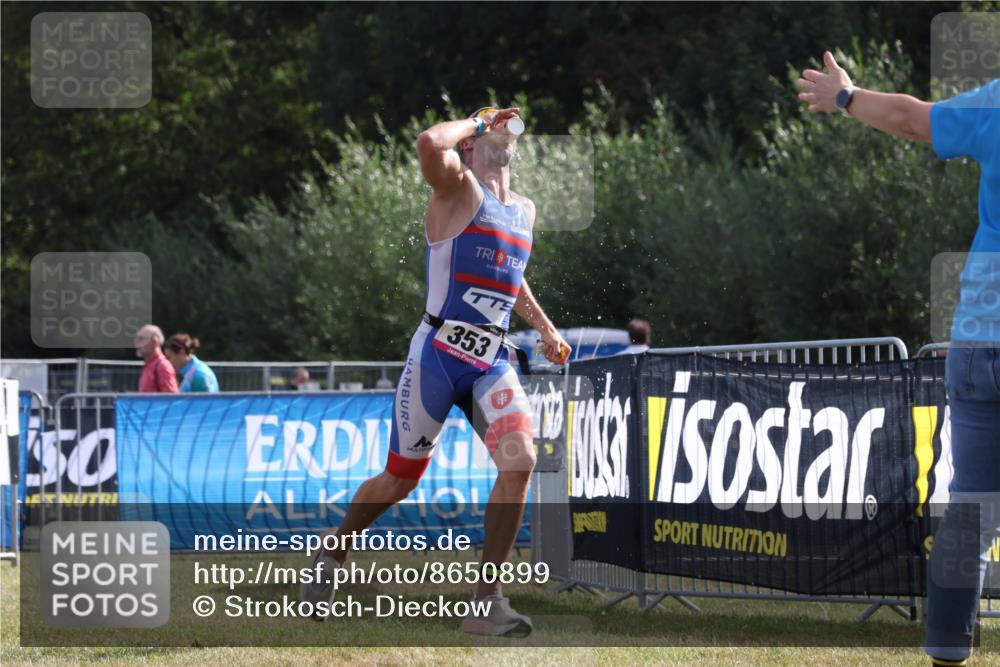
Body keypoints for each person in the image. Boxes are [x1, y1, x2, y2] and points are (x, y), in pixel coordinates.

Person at [300, 106, 571, 636]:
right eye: (487, 132)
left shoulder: (525, 210)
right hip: (438, 355)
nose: (503, 133)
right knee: (398, 481)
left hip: (491, 358)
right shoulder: (458, 188)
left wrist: (545, 327)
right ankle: (333, 551)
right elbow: (428, 142)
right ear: (469, 146)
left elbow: (512, 278)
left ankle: (487, 603)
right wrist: (477, 119)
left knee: (520, 460)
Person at [797, 53, 998, 667]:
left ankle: (945, 647)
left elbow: (913, 120)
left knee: (972, 507)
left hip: (977, 341)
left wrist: (848, 97)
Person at [134, 324, 178, 393]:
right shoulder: (149, 364)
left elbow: (171, 400)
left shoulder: (162, 366)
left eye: (141, 339)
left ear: (154, 342)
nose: (137, 343)